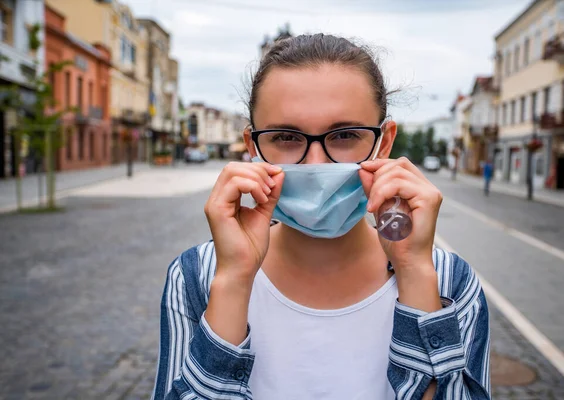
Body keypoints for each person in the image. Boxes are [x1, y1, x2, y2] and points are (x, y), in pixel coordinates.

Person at [152, 34, 490, 400]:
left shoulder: (451, 286)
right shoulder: (197, 277)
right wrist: (233, 280)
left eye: (344, 135)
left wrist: (415, 273)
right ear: (253, 148)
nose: (316, 164)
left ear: (384, 142)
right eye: (285, 137)